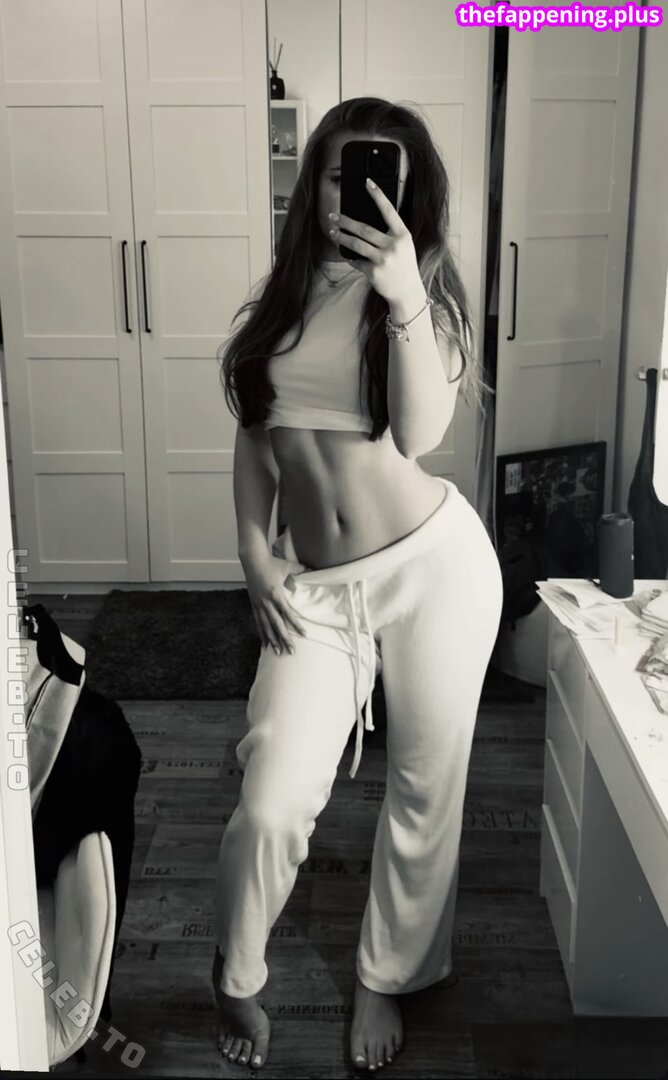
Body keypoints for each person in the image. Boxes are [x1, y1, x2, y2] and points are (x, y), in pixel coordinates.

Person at [214, 97, 503, 1072]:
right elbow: (256, 434)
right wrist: (253, 551)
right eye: (341, 173)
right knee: (271, 797)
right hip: (317, 587)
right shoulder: (283, 299)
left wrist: (402, 291)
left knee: (424, 785)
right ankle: (236, 973)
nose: (358, 192)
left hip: (435, 569)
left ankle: (388, 976)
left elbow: (418, 435)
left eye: (380, 177)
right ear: (315, 184)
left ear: (410, 194)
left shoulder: (425, 299)